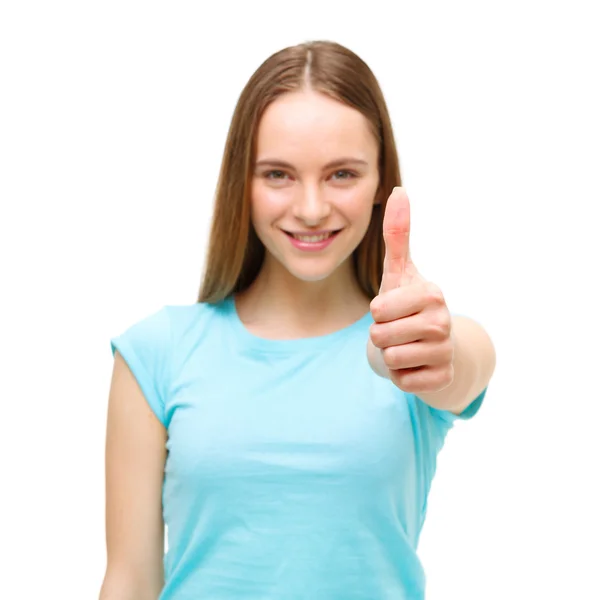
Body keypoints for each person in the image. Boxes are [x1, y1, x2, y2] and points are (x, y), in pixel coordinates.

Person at [99, 40, 496, 600]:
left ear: (382, 181)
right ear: (243, 181)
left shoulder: (423, 338)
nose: (311, 209)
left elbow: (465, 364)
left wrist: (421, 356)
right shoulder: (154, 354)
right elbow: (129, 583)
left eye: (342, 174)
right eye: (279, 175)